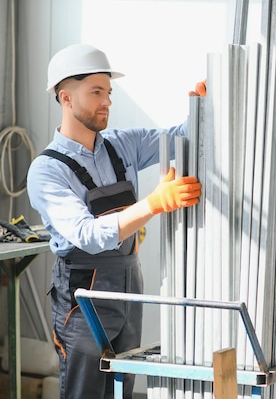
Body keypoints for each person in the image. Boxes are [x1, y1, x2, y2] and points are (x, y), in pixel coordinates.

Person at [26, 44, 204, 399]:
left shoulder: (122, 145)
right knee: (85, 389)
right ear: (65, 97)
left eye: (108, 92)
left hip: (128, 279)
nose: (107, 101)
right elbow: (87, 235)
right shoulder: (47, 171)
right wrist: (153, 203)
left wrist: (201, 106)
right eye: (96, 92)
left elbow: (181, 136)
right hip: (84, 291)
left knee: (123, 383)